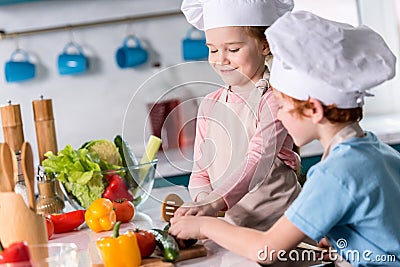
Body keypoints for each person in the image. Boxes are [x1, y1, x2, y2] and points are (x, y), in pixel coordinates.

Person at [169, 11, 400, 267]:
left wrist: (206, 225)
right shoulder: (377, 151)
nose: (277, 114)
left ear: (314, 109)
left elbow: (265, 250)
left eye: (282, 106)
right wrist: (341, 243)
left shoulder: (334, 173)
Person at [175, 0, 301, 231]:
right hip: (233, 230)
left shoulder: (274, 99)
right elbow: (201, 170)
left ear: (265, 45)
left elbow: (258, 159)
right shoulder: (210, 105)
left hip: (282, 227)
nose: (220, 60)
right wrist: (203, 202)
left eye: (233, 50)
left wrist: (212, 203)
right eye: (212, 49)